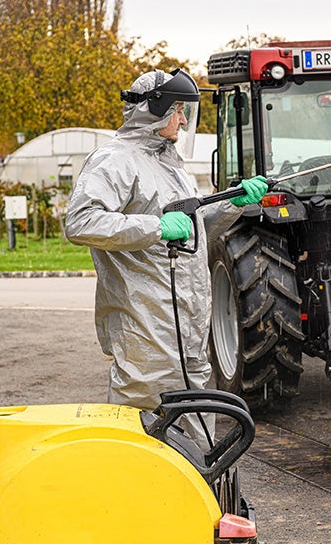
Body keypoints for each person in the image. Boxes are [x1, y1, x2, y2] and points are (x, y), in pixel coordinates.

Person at [65, 69, 267, 446]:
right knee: (140, 434)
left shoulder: (170, 163)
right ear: (155, 110)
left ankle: (195, 497)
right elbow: (81, 221)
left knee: (198, 432)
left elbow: (191, 228)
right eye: (178, 110)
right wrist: (155, 226)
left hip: (187, 329)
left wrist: (232, 204)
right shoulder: (115, 159)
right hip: (145, 328)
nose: (184, 120)